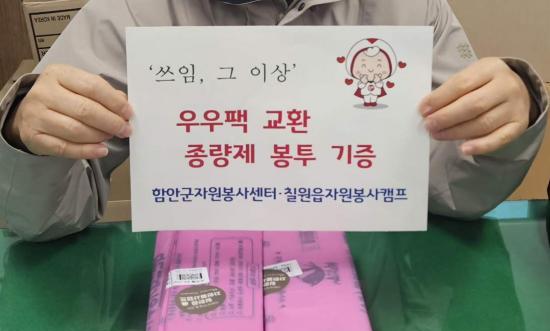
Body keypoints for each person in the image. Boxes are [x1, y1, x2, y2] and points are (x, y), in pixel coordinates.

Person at [0, 0, 547, 241]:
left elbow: (454, 192)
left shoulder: (410, 8)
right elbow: (45, 219)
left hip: (377, 286)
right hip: (194, 285)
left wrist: (507, 116)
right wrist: (25, 136)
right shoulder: (128, 12)